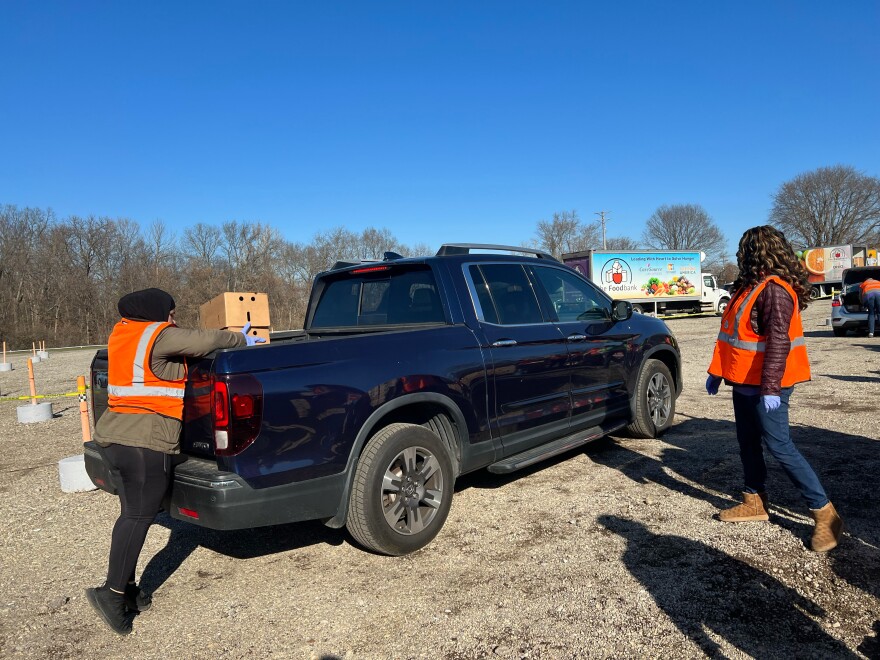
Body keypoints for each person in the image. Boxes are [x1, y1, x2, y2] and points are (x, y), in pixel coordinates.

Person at [86, 288, 264, 635]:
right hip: (143, 441)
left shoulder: (124, 332)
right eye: (170, 312)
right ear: (156, 313)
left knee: (131, 514)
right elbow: (203, 340)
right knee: (139, 516)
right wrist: (239, 338)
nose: (173, 318)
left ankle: (128, 590)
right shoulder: (158, 335)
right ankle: (111, 593)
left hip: (115, 436)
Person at [705, 226, 842, 553]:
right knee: (747, 442)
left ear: (756, 251)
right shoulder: (748, 287)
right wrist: (717, 373)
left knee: (780, 446)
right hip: (744, 383)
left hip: (770, 386)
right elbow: (734, 338)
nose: (741, 254)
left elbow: (779, 342)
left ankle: (826, 514)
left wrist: (770, 389)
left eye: (745, 249)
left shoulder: (774, 291)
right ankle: (755, 502)